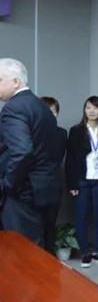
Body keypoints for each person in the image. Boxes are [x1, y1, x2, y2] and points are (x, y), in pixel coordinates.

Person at [0, 58, 60, 246]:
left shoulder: (14, 108)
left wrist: (8, 185)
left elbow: (22, 152)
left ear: (15, 82)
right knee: (36, 249)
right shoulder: (41, 107)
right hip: (45, 189)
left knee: (20, 251)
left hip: (22, 192)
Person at [66, 96, 98, 268]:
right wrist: (72, 184)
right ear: (84, 110)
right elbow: (70, 159)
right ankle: (85, 253)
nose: (92, 111)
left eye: (95, 108)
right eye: (88, 107)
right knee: (81, 216)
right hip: (82, 180)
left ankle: (97, 251)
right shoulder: (76, 131)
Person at [40, 96, 68, 255]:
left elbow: (57, 158)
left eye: (53, 111)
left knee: (50, 225)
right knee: (34, 227)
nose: (50, 114)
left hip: (53, 184)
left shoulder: (62, 133)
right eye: (46, 111)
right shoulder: (30, 131)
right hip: (32, 187)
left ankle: (49, 259)